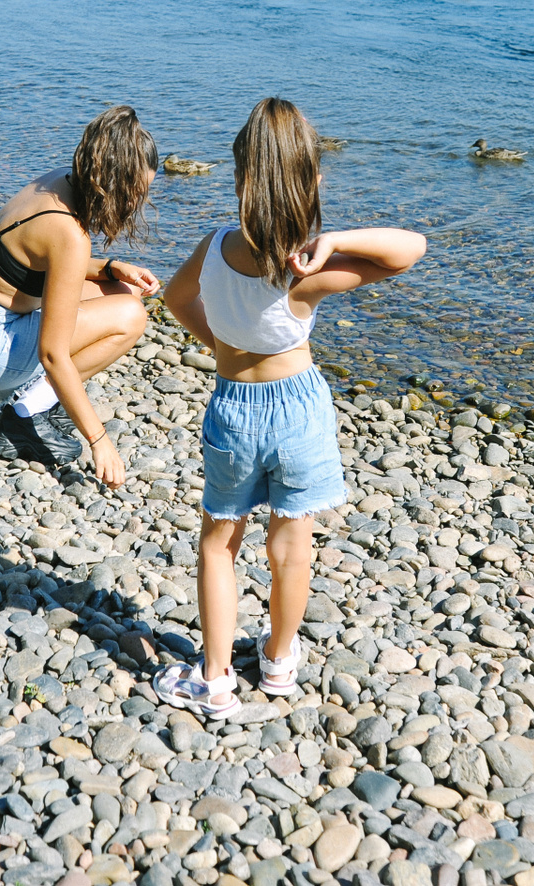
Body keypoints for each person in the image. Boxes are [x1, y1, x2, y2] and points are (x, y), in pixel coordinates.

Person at [154, 98, 426, 716]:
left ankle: (215, 679)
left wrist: (223, 344)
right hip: (300, 409)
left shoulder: (214, 248)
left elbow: (175, 298)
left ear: (239, 177)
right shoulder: (306, 271)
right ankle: (278, 662)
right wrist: (336, 240)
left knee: (219, 543)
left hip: (234, 407)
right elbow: (410, 248)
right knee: (290, 545)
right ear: (312, 182)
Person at [0, 106, 161, 484]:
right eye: (134, 192)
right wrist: (99, 440)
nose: (137, 202)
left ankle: (32, 402)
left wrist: (110, 268)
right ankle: (23, 417)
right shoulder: (68, 232)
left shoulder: (57, 183)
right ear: (111, 182)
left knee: (123, 291)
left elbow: (42, 261)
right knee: (131, 316)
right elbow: (52, 354)